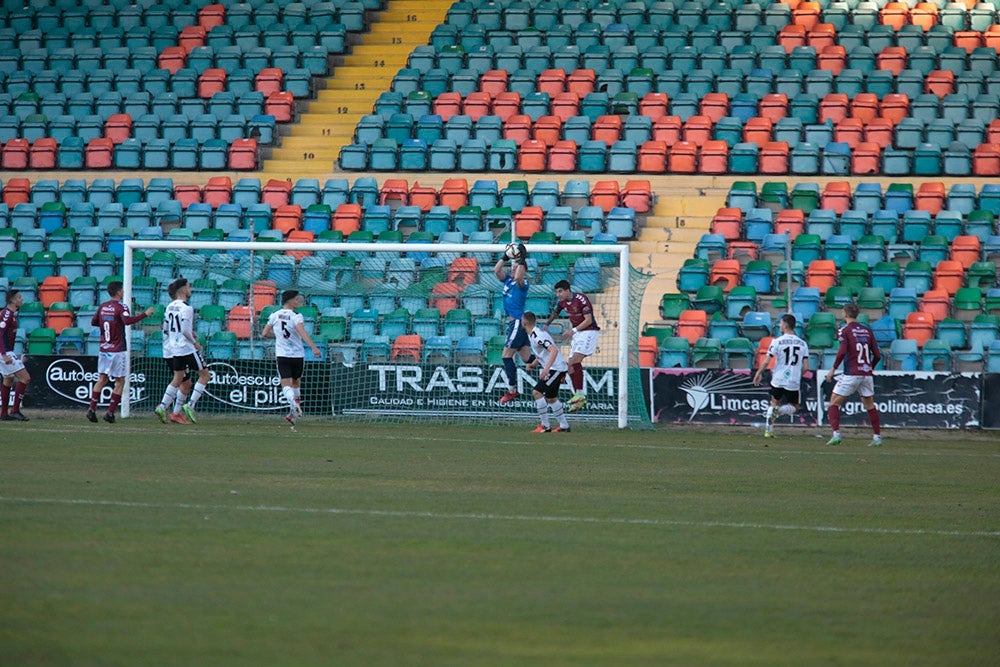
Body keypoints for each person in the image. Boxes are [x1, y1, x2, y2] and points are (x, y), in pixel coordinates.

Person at [87, 281, 154, 424]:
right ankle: (110, 413)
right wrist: (145, 314)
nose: (124, 292)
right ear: (118, 292)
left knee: (102, 379)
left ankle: (92, 409)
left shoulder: (103, 306)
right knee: (120, 381)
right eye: (122, 290)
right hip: (117, 350)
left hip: (104, 348)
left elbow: (94, 322)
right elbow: (127, 321)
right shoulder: (121, 306)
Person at [154, 278, 210, 425]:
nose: (190, 289)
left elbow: (166, 328)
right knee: (205, 375)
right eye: (189, 287)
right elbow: (184, 330)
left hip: (174, 349)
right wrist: (195, 342)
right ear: (184, 290)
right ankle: (190, 405)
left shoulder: (170, 306)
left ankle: (163, 406)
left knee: (178, 379)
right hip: (186, 348)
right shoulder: (187, 308)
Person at [827, 303, 883, 447]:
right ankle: (877, 438)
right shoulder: (867, 330)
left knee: (833, 403)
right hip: (866, 374)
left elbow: (842, 351)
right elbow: (877, 355)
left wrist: (833, 368)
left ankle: (836, 435)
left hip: (851, 373)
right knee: (870, 405)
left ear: (845, 314)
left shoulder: (844, 330)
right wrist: (870, 368)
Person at [261, 290, 321, 425]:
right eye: (296, 299)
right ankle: (293, 410)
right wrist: (313, 347)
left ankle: (293, 404)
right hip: (298, 355)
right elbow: (302, 333)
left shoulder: (275, 315)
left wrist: (278, 337)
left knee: (285, 383)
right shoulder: (296, 316)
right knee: (296, 382)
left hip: (282, 355)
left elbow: (264, 333)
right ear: (290, 301)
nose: (298, 302)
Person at [544, 279, 600, 413]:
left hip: (588, 332)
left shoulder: (581, 299)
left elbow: (588, 320)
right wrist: (547, 325)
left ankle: (580, 395)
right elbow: (556, 312)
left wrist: (572, 331)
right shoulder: (562, 303)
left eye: (560, 291)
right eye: (556, 292)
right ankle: (579, 396)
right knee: (570, 365)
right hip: (578, 334)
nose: (558, 294)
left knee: (574, 361)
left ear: (568, 290)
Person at [753, 313, 809, 440]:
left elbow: (767, 361)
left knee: (774, 403)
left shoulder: (777, 341)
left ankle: (768, 430)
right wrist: (796, 375)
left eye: (781, 324)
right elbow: (806, 367)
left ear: (785, 325)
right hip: (793, 380)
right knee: (794, 407)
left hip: (778, 379)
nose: (779, 326)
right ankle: (779, 411)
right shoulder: (802, 344)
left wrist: (759, 373)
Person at [494, 242, 533, 404]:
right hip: (517, 324)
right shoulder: (508, 281)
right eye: (513, 265)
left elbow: (518, 276)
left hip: (517, 322)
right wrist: (505, 256)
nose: (514, 268)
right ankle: (556, 369)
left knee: (506, 356)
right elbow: (496, 270)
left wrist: (522, 259)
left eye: (516, 266)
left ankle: (512, 390)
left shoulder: (522, 284)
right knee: (526, 358)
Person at [522, 311, 571, 433]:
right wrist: (533, 364)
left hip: (557, 368)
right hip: (556, 368)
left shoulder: (538, 335)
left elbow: (553, 350)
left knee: (537, 392)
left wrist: (546, 369)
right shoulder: (533, 335)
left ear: (524, 323)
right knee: (551, 398)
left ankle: (545, 425)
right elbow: (542, 353)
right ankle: (564, 426)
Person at [0, 289, 30, 421]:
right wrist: (4, 354)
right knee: (25, 378)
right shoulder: (6, 314)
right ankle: (15, 410)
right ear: (12, 300)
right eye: (19, 297)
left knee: (8, 380)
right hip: (5, 352)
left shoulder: (12, 314)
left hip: (6, 351)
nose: (21, 299)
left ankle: (4, 414)